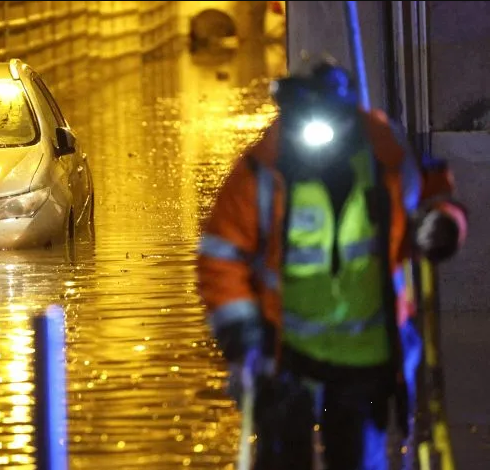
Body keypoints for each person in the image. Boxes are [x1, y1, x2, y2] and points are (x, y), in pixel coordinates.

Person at [196, 60, 468, 469]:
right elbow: (221, 255)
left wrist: (443, 224)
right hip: (286, 358)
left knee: (360, 460)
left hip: (367, 359)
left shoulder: (384, 154)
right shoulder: (265, 168)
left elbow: (434, 194)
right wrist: (241, 336)